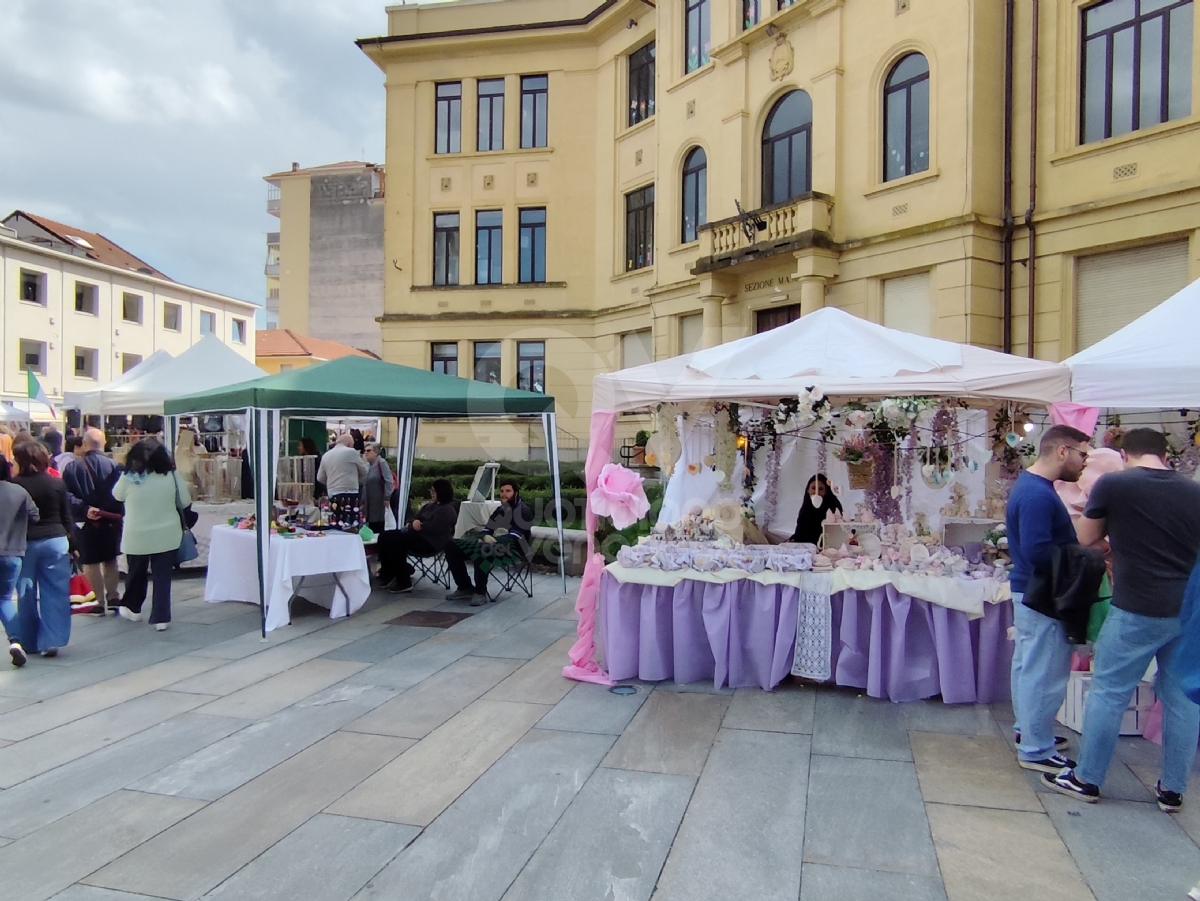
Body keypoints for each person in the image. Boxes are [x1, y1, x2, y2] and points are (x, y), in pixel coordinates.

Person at [1046, 428, 1200, 810]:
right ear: (1164, 454)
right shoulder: (1194, 491)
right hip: (1188, 608)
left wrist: (1117, 543)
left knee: (1109, 692)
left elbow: (1084, 539)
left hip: (1136, 605)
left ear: (1124, 452)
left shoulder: (1114, 485)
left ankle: (1088, 777)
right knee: (1182, 700)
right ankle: (1172, 789)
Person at [1006, 424, 1091, 773]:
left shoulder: (1033, 487)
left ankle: (1029, 730)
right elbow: (1039, 551)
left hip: (1032, 590)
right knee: (1045, 671)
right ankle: (1036, 747)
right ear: (1062, 451)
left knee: (1029, 665)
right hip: (1043, 593)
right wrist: (1085, 556)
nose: (1085, 462)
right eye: (1083, 454)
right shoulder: (1038, 495)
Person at [112, 439, 191, 631]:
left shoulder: (129, 477)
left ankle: (133, 607)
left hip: (136, 534)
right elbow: (186, 501)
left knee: (136, 573)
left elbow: (116, 496)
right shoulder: (172, 476)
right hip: (167, 533)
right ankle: (161, 617)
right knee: (162, 576)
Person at [12, 438, 75, 658]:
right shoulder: (56, 483)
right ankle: (52, 640)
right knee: (55, 592)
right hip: (56, 539)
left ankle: (29, 641)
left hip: (24, 543)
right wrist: (75, 545)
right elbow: (67, 517)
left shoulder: (14, 486)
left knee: (25, 592)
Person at [62, 428, 124, 615]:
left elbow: (67, 495)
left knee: (90, 562)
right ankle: (113, 596)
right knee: (110, 559)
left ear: (85, 444)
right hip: (110, 520)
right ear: (104, 443)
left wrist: (85, 509)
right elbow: (121, 495)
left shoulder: (72, 468)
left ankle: (97, 601)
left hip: (85, 521)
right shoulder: (116, 466)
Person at [445, 478, 534, 605]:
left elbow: (514, 537)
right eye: (502, 491)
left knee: (482, 550)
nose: (504, 494)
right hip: (494, 546)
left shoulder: (523, 512)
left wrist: (490, 541)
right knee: (451, 545)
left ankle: (480, 592)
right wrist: (485, 536)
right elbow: (487, 529)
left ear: (516, 493)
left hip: (514, 549)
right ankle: (465, 587)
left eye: (508, 491)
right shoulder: (500, 510)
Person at [377, 479, 458, 592]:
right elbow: (414, 518)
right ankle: (388, 572)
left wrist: (414, 525)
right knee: (385, 537)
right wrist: (413, 522)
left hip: (432, 542)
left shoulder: (448, 510)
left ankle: (404, 581)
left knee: (397, 543)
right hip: (418, 535)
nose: (431, 493)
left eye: (434, 491)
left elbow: (432, 528)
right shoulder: (429, 506)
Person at [0, 457, 39, 666]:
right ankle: (15, 641)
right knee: (5, 599)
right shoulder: (19, 491)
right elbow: (35, 516)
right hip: (13, 553)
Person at [317, 434, 368, 529]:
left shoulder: (326, 455)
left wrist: (331, 481)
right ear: (349, 444)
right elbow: (364, 471)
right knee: (350, 524)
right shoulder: (351, 452)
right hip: (350, 493)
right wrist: (355, 477)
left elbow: (320, 478)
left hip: (332, 493)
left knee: (335, 522)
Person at [789, 474, 843, 544]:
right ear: (808, 490)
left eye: (820, 489)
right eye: (813, 488)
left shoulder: (834, 507)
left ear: (826, 491)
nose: (816, 492)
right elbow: (800, 531)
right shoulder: (806, 508)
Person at [360, 443, 394, 535]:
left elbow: (389, 481)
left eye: (369, 451)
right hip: (369, 504)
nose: (366, 453)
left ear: (376, 452)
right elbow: (365, 485)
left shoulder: (381, 463)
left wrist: (386, 497)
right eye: (365, 451)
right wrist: (363, 502)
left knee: (379, 527)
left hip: (379, 502)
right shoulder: (368, 466)